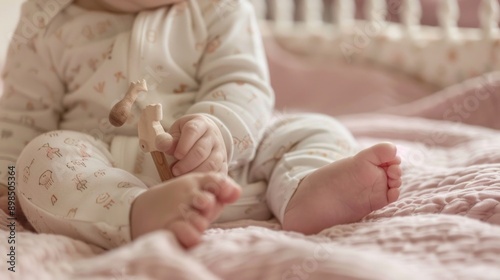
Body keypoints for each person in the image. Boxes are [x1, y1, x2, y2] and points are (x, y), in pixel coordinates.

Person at [0, 0, 402, 250]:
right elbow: (20, 116)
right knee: (43, 155)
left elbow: (242, 83)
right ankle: (139, 214)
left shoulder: (218, 7)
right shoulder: (47, 19)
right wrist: (8, 180)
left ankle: (303, 190)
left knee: (313, 128)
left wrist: (218, 129)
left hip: (230, 163)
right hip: (102, 175)